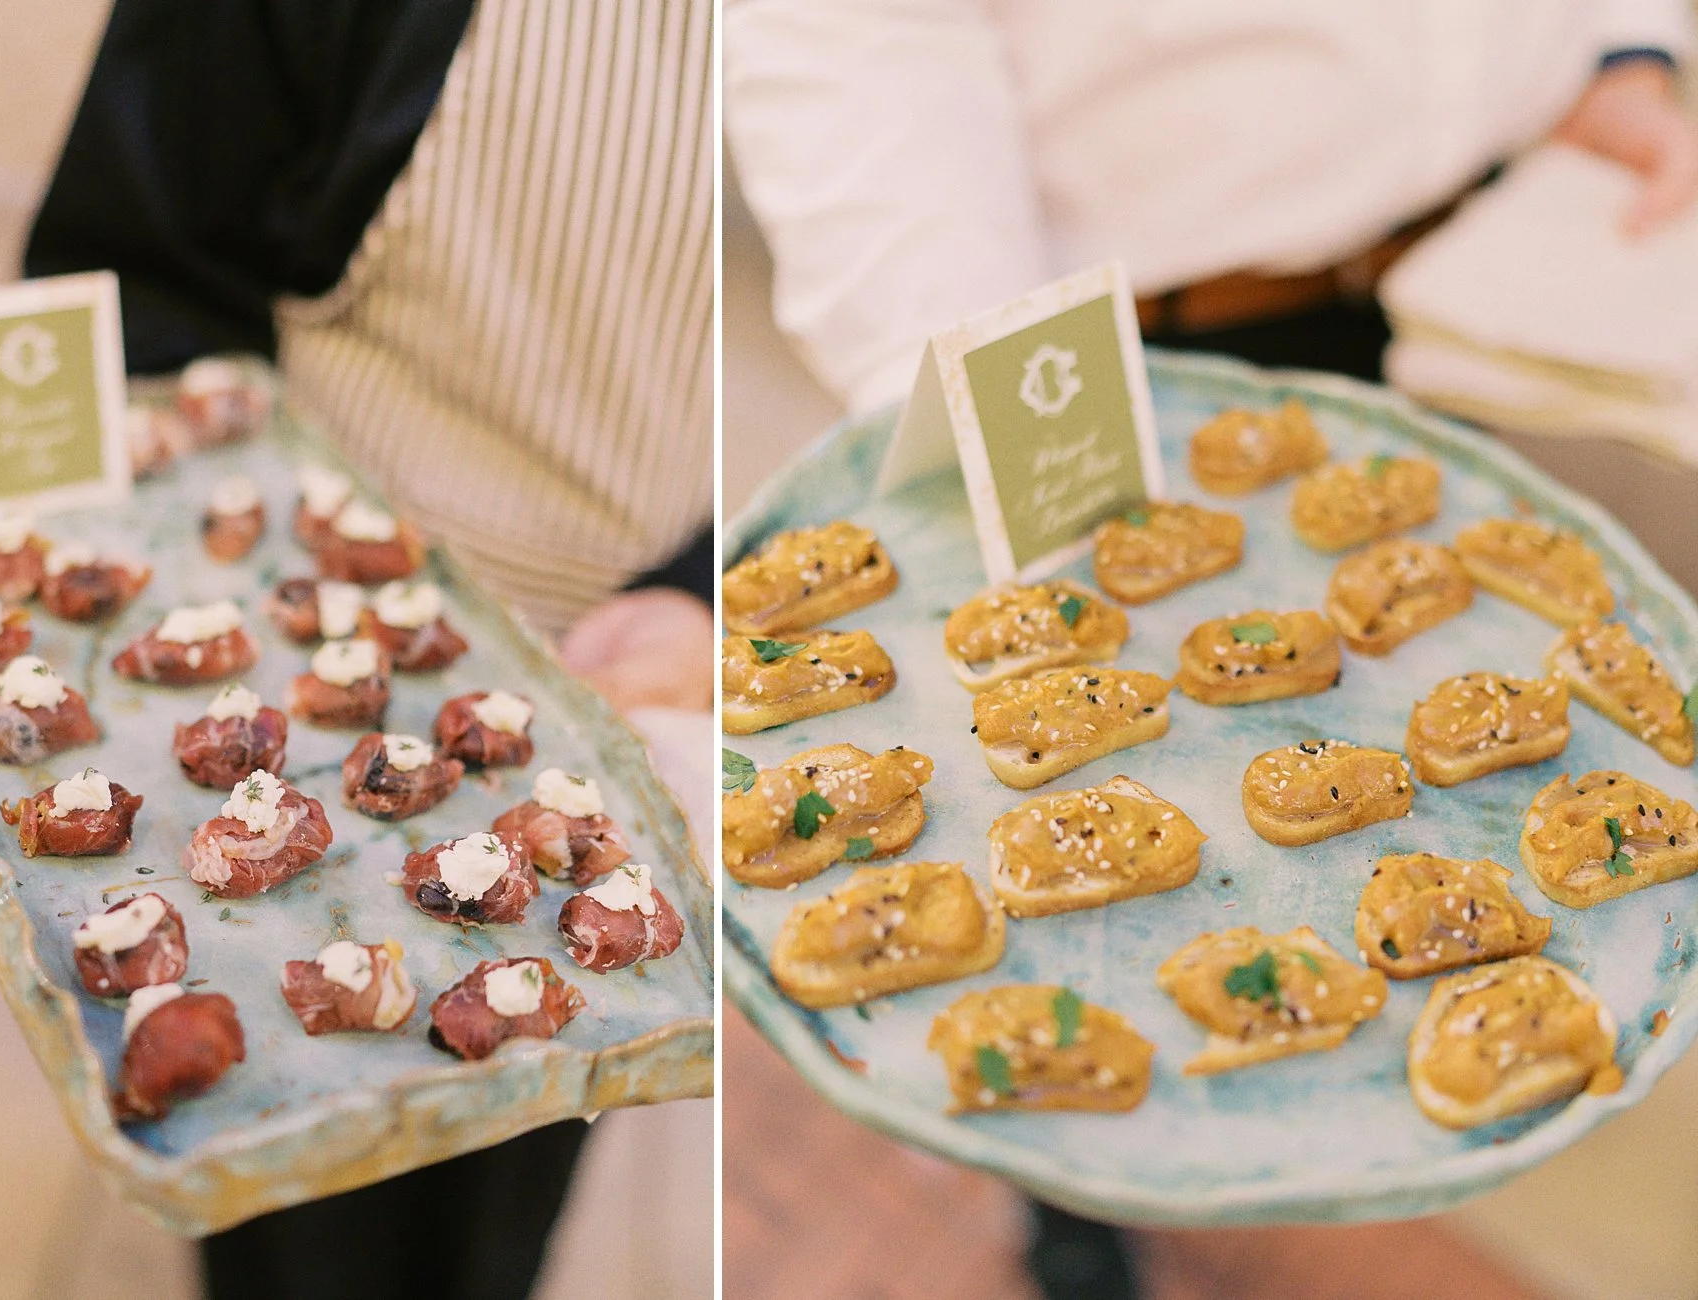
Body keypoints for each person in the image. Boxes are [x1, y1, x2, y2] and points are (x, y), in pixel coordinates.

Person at [725, 5, 1695, 1298]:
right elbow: (851, 44)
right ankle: (1081, 1199)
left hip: (1459, 272)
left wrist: (1608, 51)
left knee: (1437, 606)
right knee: (1071, 971)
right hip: (1107, 341)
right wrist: (988, 387)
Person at [26, 3, 713, 1297]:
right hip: (290, 675)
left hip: (622, 711)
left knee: (493, 1203)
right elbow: (136, 275)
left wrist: (703, 590)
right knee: (301, 1222)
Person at [725, 0, 1698, 394]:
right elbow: (865, 44)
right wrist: (1000, 450)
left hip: (1485, 273)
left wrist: (1614, 46)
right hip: (1141, 359)